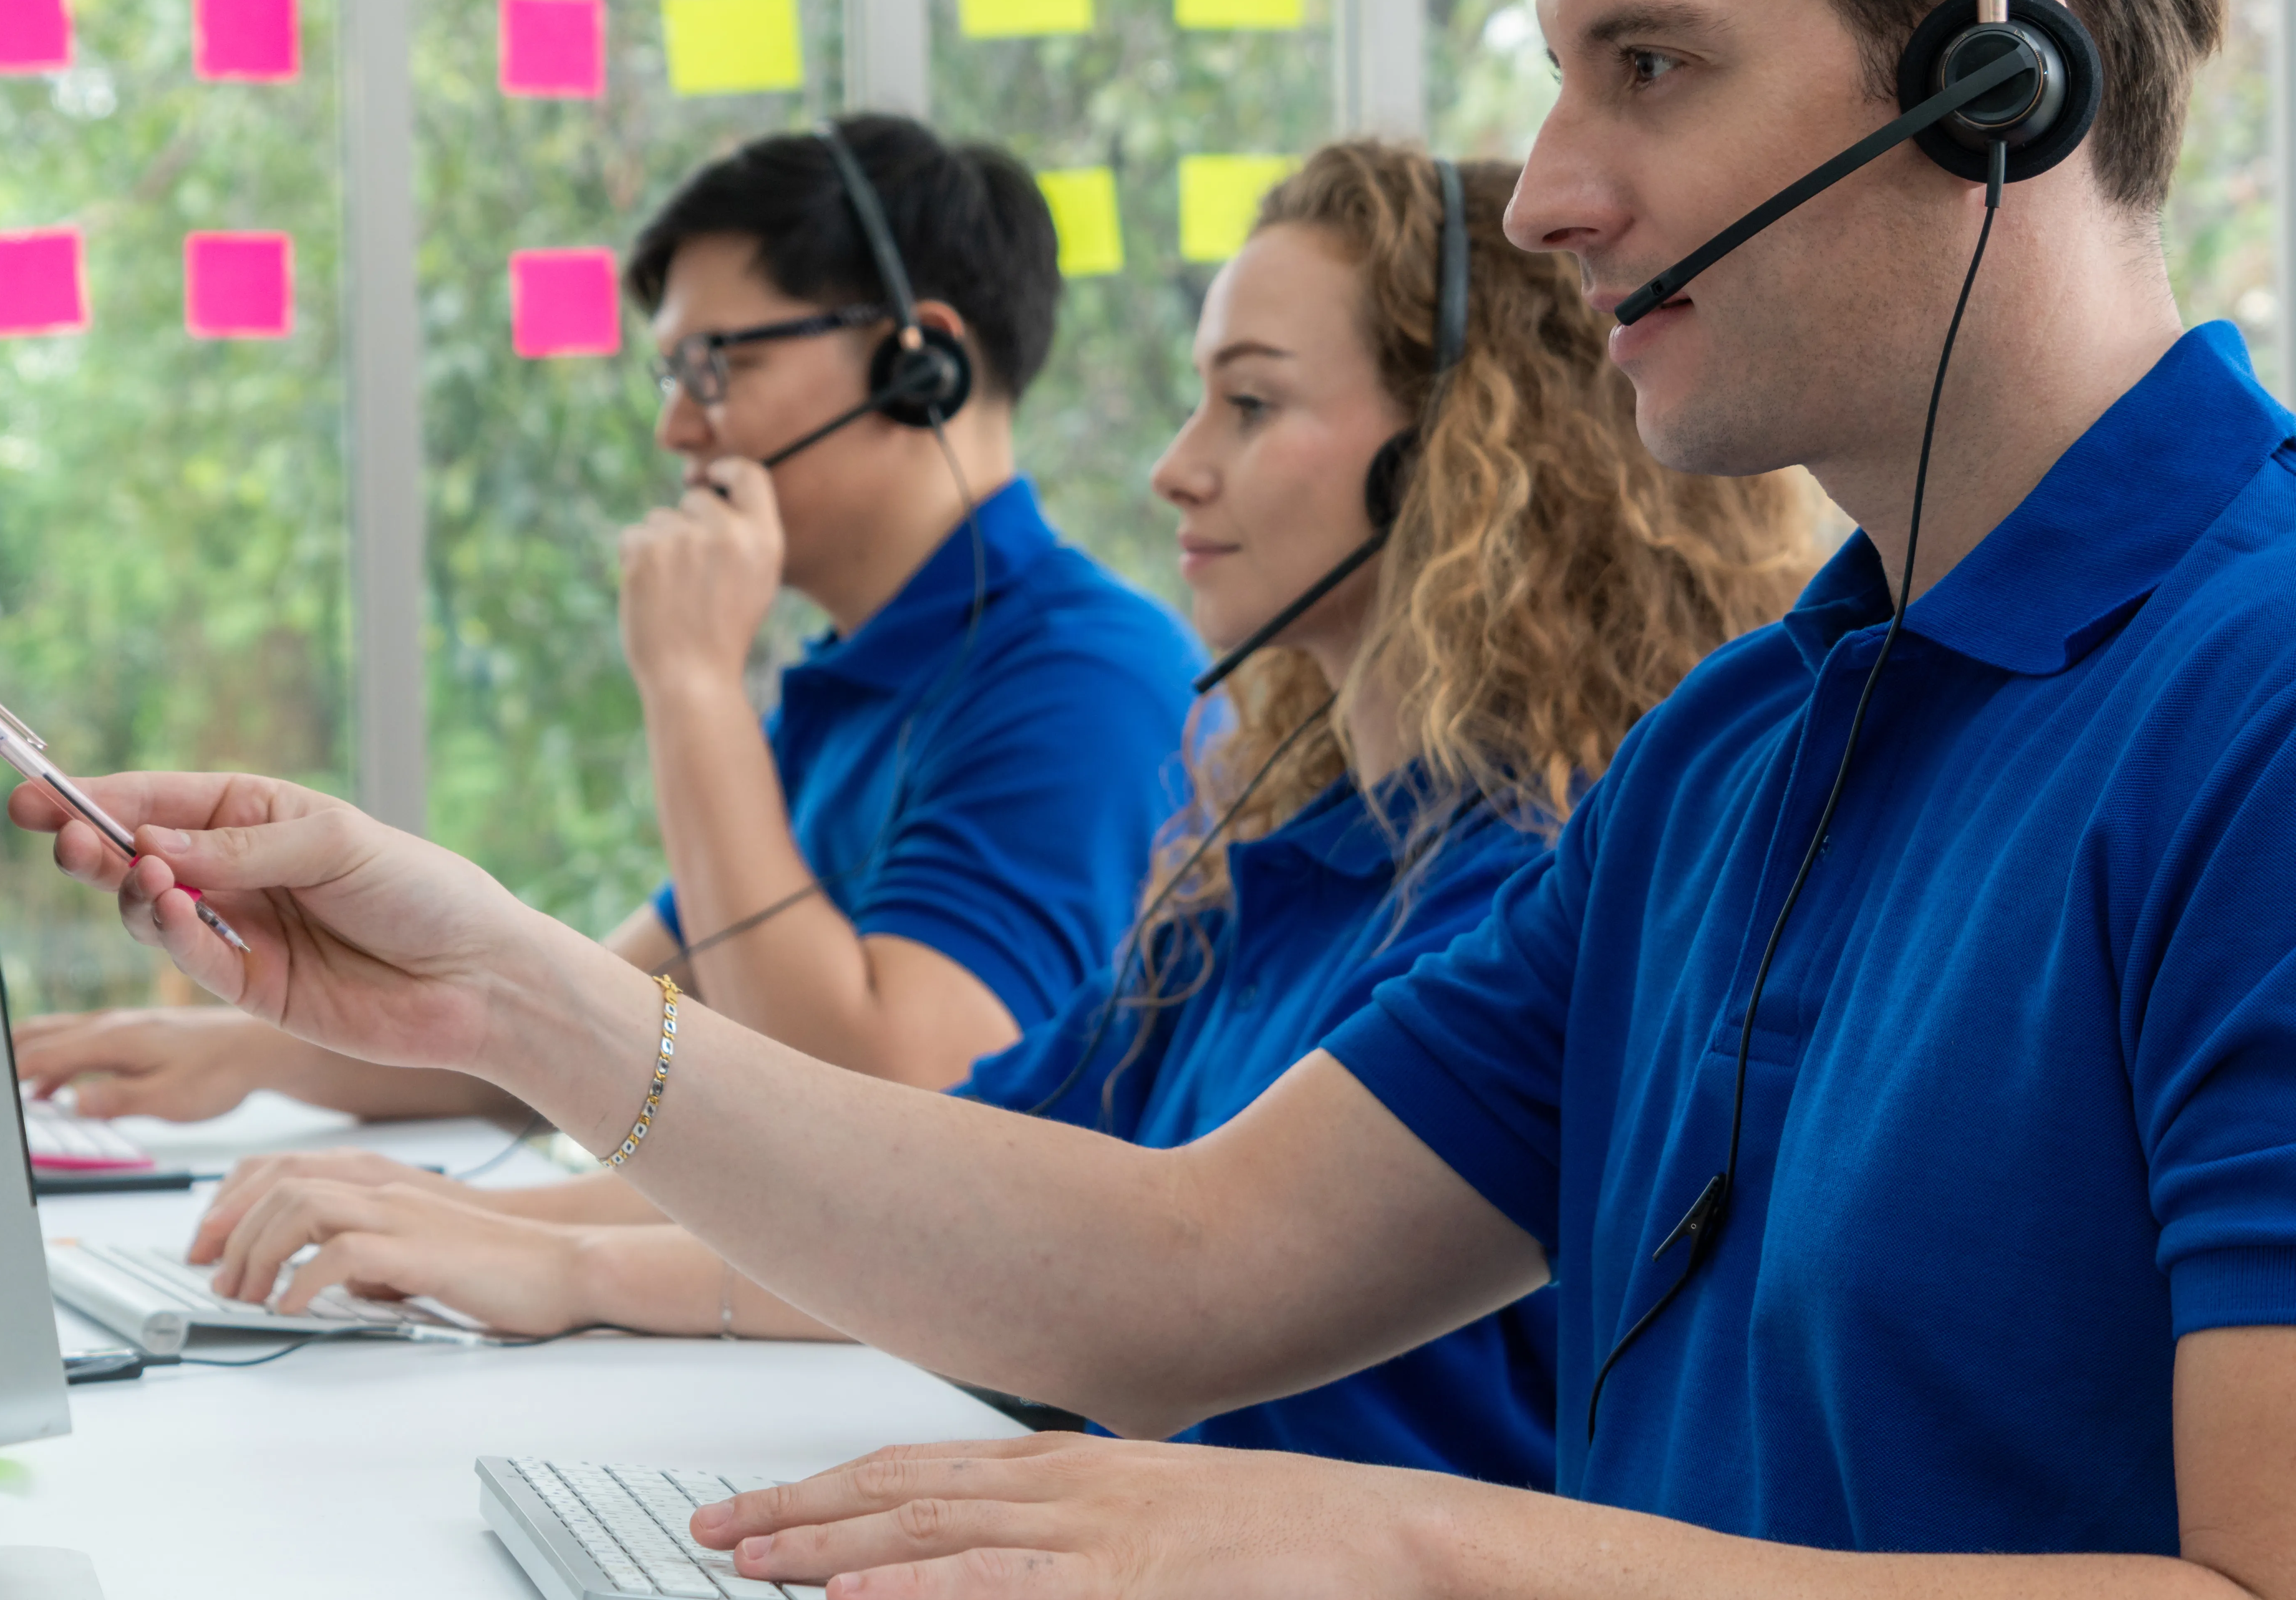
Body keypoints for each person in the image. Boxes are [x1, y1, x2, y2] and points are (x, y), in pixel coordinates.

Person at [15, 0, 2296, 1600]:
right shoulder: (1758, 747)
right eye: (1560, 72)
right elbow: (1172, 1270)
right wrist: (487, 976)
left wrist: (1406, 1549)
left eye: (1648, 69)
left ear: (1996, 78)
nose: (1546, 193)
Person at [177, 143, 1812, 1491]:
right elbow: (964, 1192)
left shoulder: (1501, 881)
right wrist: (471, 1206)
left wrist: (684, 698)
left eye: (1246, 405)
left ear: (1458, 458)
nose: (1173, 471)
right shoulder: (1269, 872)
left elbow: (1044, 1212)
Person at [12, 115, 1203, 1118]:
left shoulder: (1084, 682)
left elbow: (884, 1112)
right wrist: (245, 1054)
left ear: (918, 362)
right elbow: (591, 1018)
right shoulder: (865, 679)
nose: (676, 432)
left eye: (712, 369)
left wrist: (692, 686)